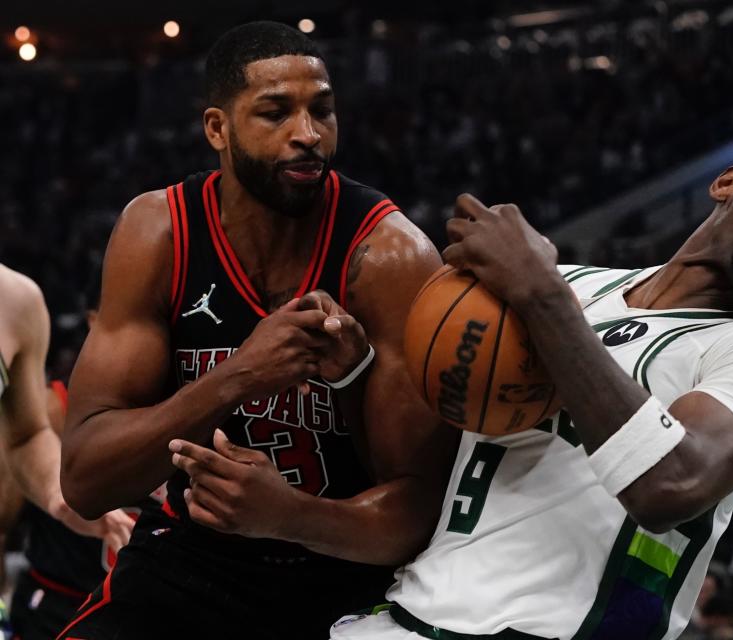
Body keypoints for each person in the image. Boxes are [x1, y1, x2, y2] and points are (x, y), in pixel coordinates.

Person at [319, 138, 733, 639]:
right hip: (410, 614)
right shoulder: (578, 285)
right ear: (726, 183)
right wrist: (354, 375)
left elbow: (671, 486)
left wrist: (541, 294)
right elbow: (428, 462)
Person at [58, 21, 454, 639]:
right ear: (217, 127)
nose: (308, 135)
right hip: (189, 560)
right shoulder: (158, 233)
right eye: (275, 113)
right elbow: (85, 481)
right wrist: (242, 374)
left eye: (322, 111)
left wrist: (291, 515)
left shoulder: (388, 256)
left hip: (343, 572)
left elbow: (419, 510)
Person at [9, 284, 165, 640]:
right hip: (60, 606)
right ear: (94, 320)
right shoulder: (51, 411)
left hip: (149, 612)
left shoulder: (193, 407)